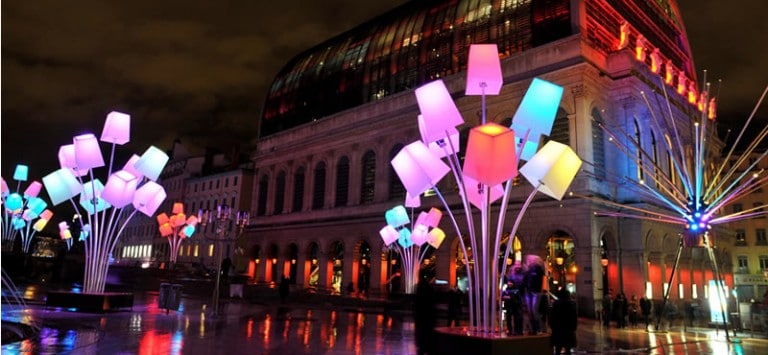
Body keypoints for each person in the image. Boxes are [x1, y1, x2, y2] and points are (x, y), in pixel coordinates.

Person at [414, 269, 437, 355]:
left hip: (422, 319)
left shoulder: (420, 287)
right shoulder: (428, 287)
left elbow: (418, 303)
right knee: (427, 343)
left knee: (422, 343)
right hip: (428, 319)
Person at [550, 289, 577, 355]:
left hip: (558, 329)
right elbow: (574, 317)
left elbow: (552, 316)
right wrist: (574, 327)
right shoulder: (572, 303)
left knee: (558, 349)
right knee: (568, 349)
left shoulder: (556, 304)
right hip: (568, 329)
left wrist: (552, 326)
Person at [522, 255, 545, 334]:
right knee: (530, 311)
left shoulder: (538, 269)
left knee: (534, 311)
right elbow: (525, 281)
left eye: (529, 259)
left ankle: (538, 329)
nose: (528, 261)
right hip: (529, 291)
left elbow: (539, 279)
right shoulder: (529, 270)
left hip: (535, 292)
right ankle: (533, 329)